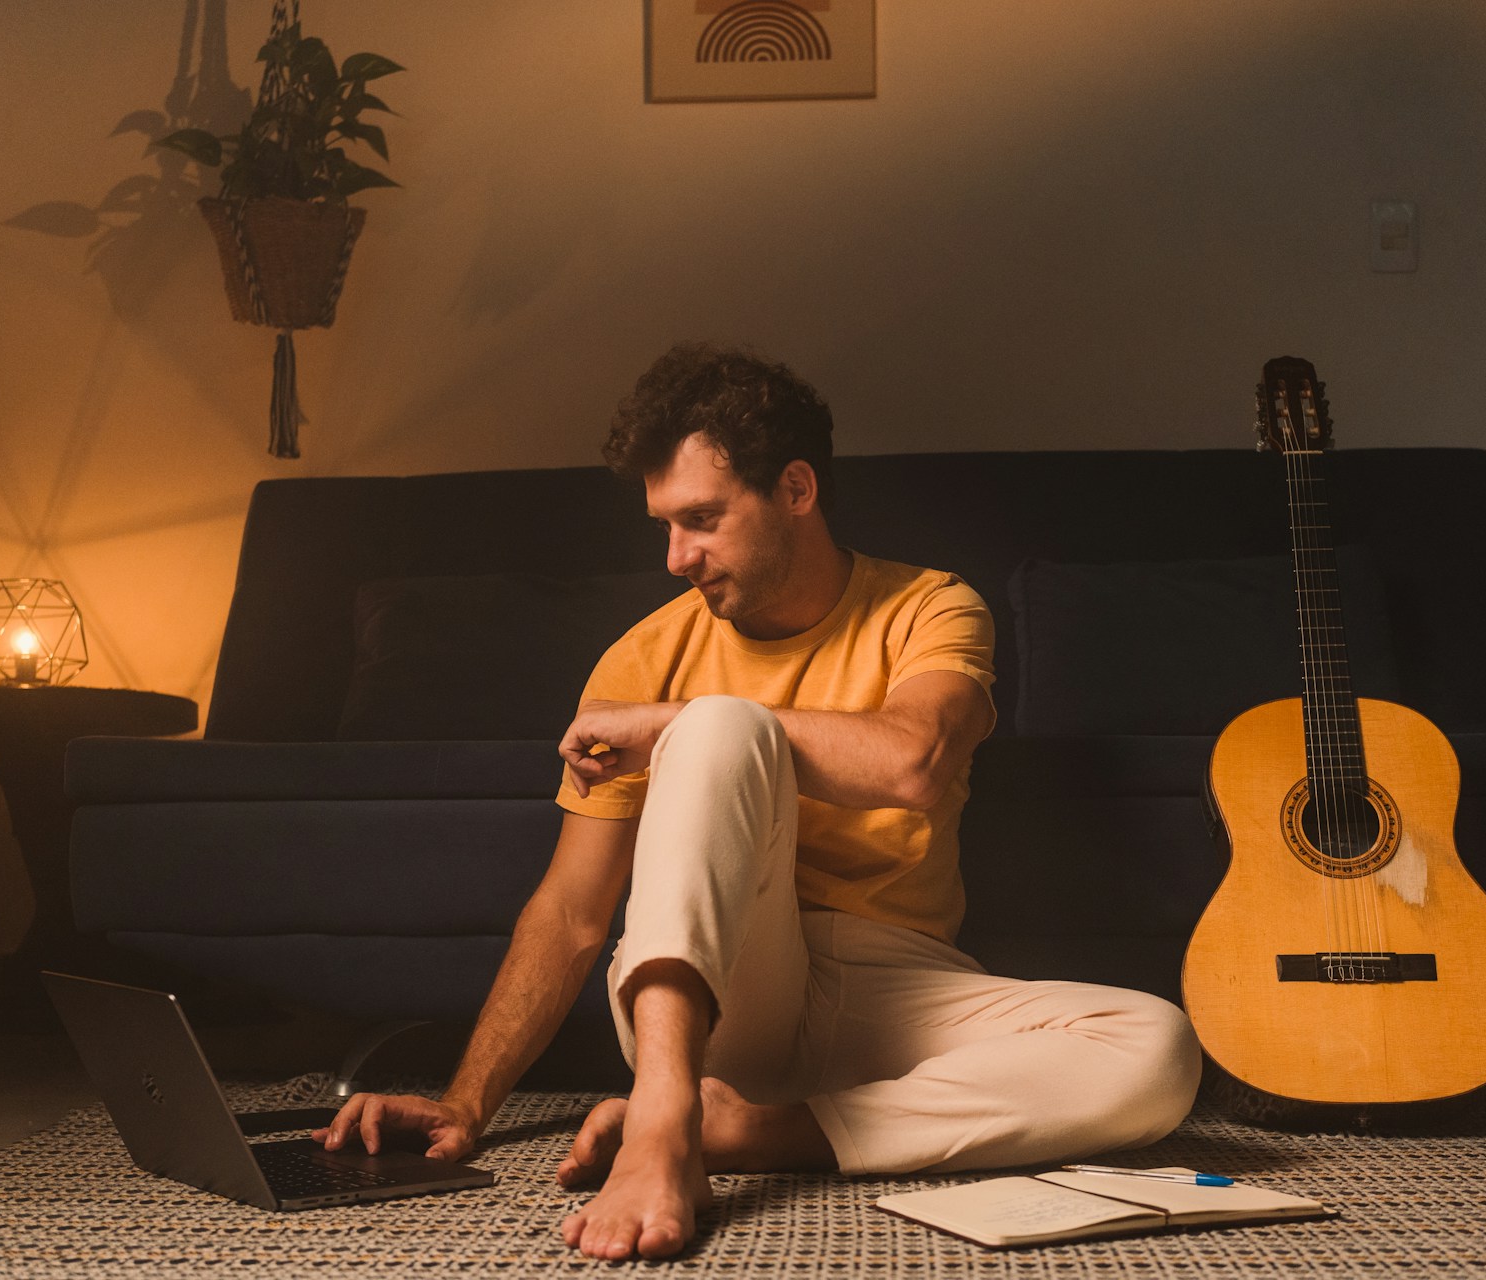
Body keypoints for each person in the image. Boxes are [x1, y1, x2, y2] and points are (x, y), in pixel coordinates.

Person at [315, 343, 1201, 1260]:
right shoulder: (641, 658)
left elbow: (913, 763)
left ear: (796, 490)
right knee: (720, 726)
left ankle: (745, 1133)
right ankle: (664, 1115)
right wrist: (466, 1099)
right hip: (723, 992)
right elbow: (574, 913)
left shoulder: (931, 608)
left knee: (1157, 1050)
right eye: (663, 524)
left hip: (898, 988)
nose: (674, 557)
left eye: (701, 519)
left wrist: (674, 724)